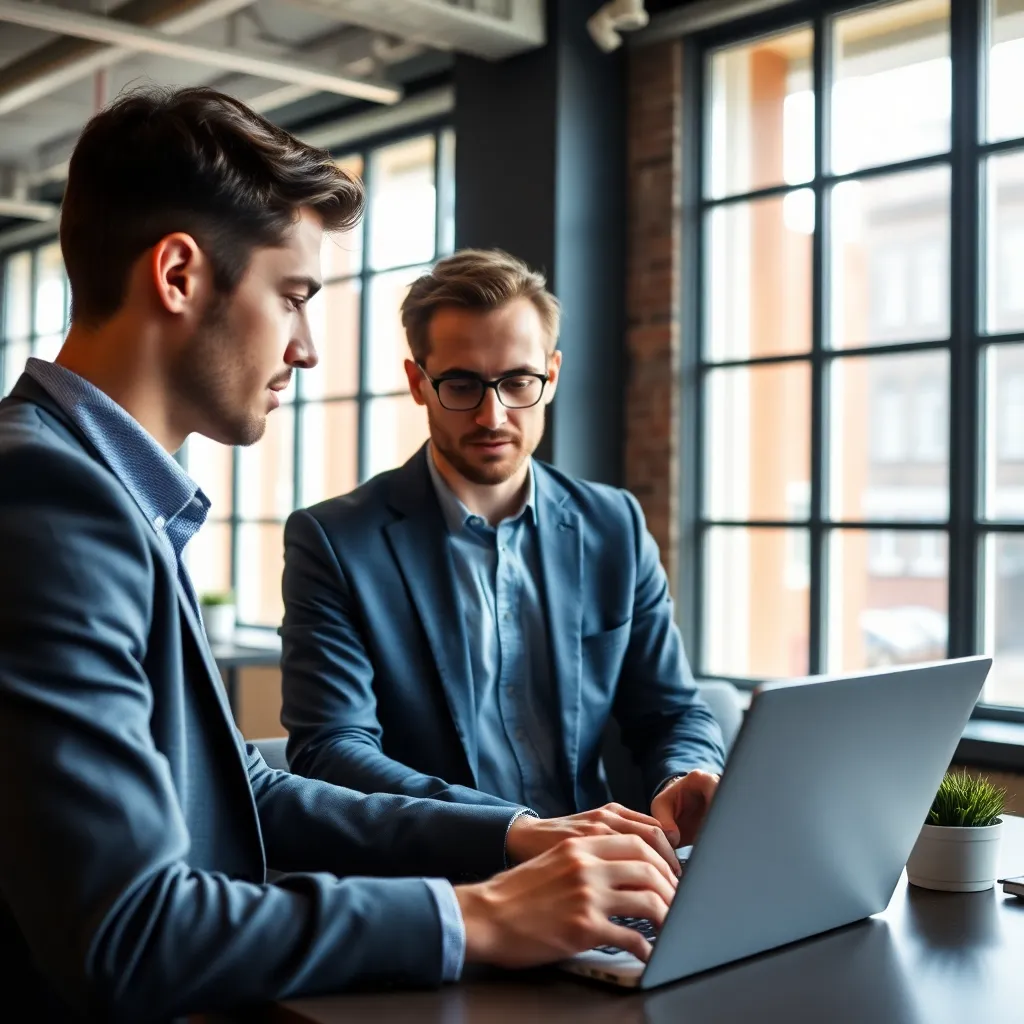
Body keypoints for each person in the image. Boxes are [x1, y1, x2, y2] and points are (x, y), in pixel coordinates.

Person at [0, 89, 681, 1022]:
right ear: (179, 274)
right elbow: (128, 930)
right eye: (293, 296)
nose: (307, 349)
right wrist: (473, 917)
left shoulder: (99, 491)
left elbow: (243, 783)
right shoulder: (51, 499)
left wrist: (515, 838)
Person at [280, 249, 726, 847]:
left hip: (603, 876)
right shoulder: (334, 543)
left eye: (518, 381)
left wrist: (684, 774)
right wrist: (513, 832)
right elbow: (332, 750)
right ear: (419, 383)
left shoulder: (613, 523)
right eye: (462, 384)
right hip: (444, 891)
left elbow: (672, 711)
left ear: (552, 376)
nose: (493, 416)